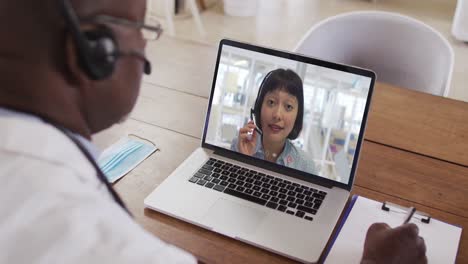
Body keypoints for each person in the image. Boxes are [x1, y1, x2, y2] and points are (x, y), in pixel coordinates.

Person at [0, 0, 426, 263]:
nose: (146, 47)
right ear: (95, 53)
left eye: (289, 106)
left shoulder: (307, 162)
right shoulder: (102, 244)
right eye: (142, 29)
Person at [232, 69, 316, 174]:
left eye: (288, 106)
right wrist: (245, 160)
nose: (277, 115)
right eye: (271, 102)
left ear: (297, 116)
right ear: (259, 107)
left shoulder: (305, 165)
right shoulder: (239, 146)